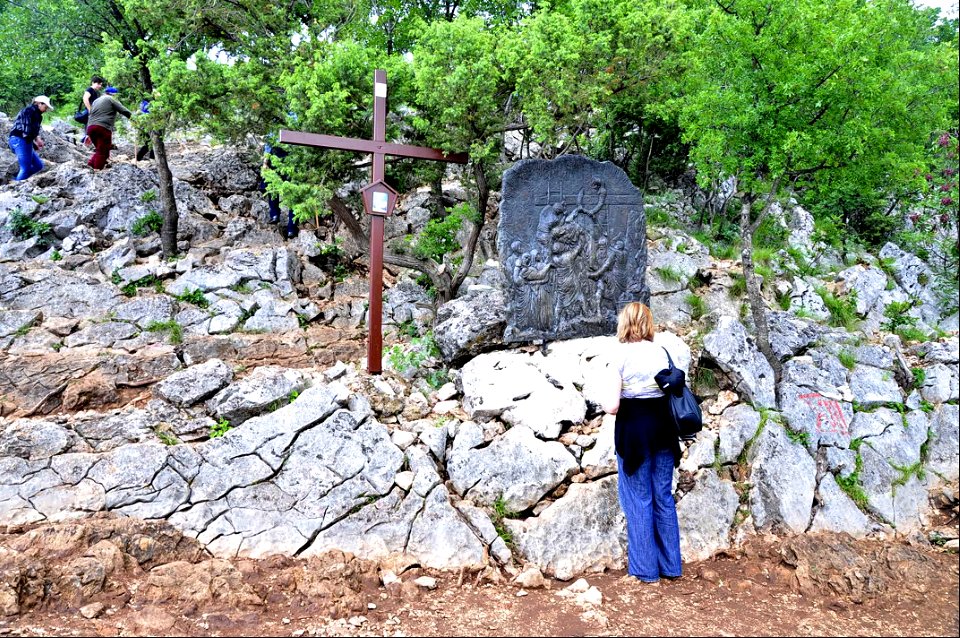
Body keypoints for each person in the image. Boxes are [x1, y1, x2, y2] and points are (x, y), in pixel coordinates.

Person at [600, 302, 683, 583]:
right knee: (663, 497)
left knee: (638, 500)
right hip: (664, 431)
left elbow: (612, 405)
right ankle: (671, 566)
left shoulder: (619, 356)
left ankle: (646, 570)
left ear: (624, 323)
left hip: (634, 434)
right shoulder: (662, 352)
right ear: (648, 323)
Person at [7, 96, 53, 181]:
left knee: (38, 166)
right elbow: (26, 130)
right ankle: (17, 186)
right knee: (25, 168)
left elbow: (33, 130)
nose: (46, 109)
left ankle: (16, 179)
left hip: (25, 140)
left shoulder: (38, 115)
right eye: (45, 107)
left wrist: (37, 139)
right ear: (39, 103)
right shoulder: (28, 111)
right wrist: (35, 144)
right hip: (19, 139)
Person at [86, 89, 132, 170]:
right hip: (103, 127)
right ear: (113, 94)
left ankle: (90, 165)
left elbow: (91, 114)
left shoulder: (96, 101)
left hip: (90, 127)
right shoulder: (111, 99)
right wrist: (134, 119)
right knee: (102, 151)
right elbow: (123, 110)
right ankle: (97, 170)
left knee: (101, 149)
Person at [79, 75, 105, 145]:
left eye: (101, 84)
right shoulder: (89, 90)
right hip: (89, 112)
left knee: (90, 129)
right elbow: (85, 98)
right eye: (98, 84)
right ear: (93, 83)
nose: (99, 86)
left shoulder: (94, 91)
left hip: (92, 112)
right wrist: (90, 109)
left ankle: (85, 144)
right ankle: (83, 144)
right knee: (89, 129)